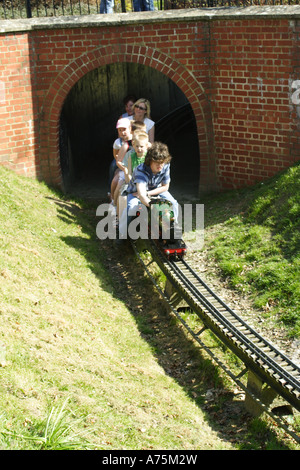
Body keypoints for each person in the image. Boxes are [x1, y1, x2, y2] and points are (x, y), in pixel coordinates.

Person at [119, 141, 178, 239]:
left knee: (173, 203)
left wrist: (148, 193)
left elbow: (165, 187)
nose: (160, 166)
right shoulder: (141, 170)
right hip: (135, 192)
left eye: (162, 163)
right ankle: (123, 235)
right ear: (150, 160)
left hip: (154, 189)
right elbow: (141, 196)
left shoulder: (166, 165)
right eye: (157, 163)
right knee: (132, 207)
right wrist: (154, 207)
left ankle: (173, 229)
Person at [108, 117, 132, 203]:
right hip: (123, 165)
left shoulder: (134, 140)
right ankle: (112, 197)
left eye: (124, 129)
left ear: (130, 128)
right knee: (115, 180)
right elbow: (115, 155)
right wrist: (122, 166)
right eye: (120, 130)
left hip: (134, 165)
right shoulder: (118, 142)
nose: (122, 132)